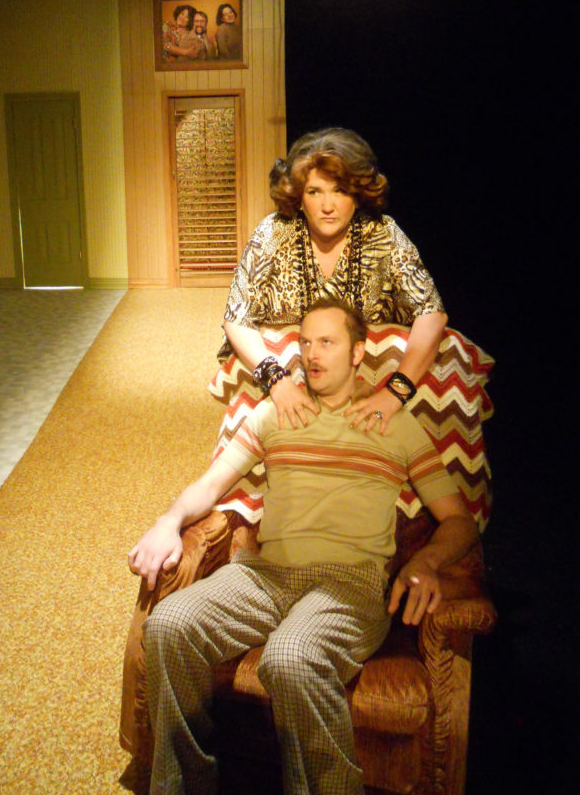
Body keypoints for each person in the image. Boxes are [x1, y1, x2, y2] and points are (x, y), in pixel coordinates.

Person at [129, 298, 477, 795]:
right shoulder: (276, 412)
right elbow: (209, 487)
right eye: (306, 342)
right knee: (168, 625)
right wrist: (168, 521)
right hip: (264, 574)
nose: (312, 354)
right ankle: (186, 786)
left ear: (358, 353)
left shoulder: (394, 424)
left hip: (348, 583)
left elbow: (458, 522)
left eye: (327, 342)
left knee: (290, 656)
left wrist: (425, 561)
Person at [221, 127, 447, 437]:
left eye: (339, 190)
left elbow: (431, 312)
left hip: (366, 370)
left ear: (357, 193)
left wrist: (395, 392)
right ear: (299, 196)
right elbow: (236, 318)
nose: (328, 206)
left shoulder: (382, 232)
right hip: (284, 367)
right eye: (315, 192)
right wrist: (277, 380)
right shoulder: (273, 232)